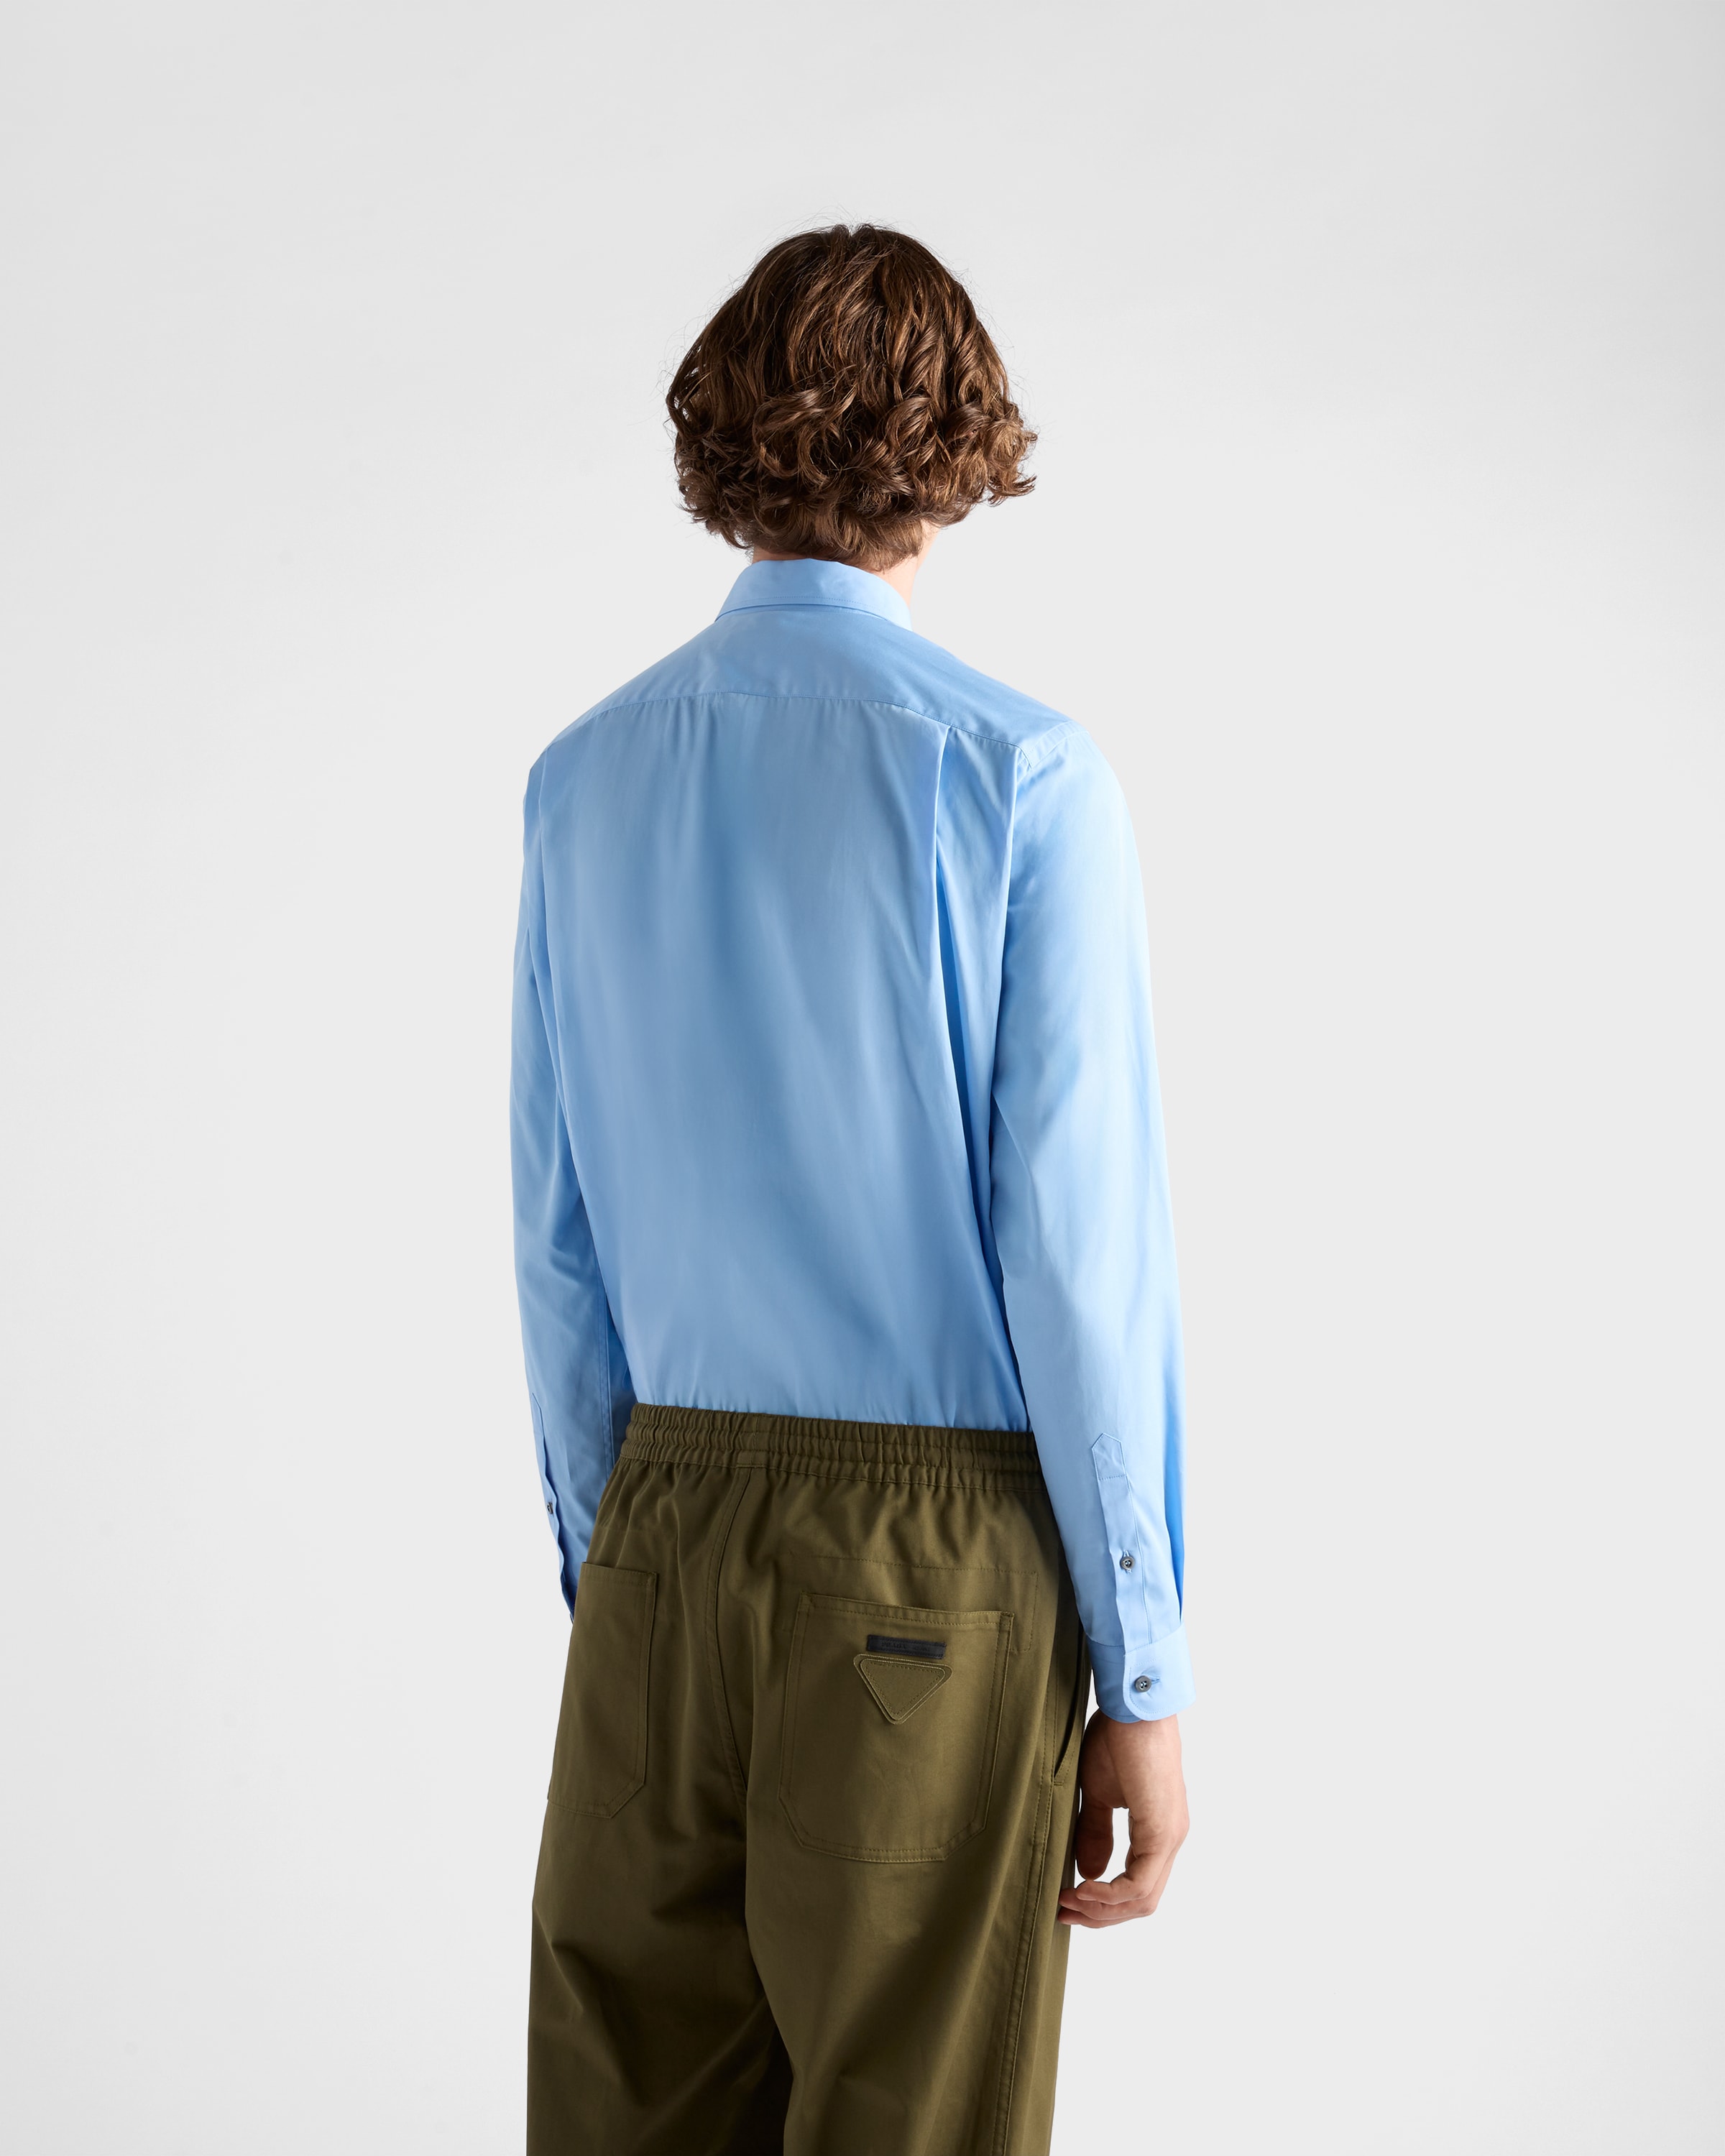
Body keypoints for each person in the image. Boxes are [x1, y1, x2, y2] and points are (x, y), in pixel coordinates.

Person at [510, 224, 1192, 2155]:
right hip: (929, 1562)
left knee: (627, 2119)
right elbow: (1077, 1262)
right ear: (960, 448)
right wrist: (1141, 1669)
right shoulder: (1022, 778)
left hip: (656, 1533)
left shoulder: (582, 778)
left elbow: (558, 1238)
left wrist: (618, 1564)